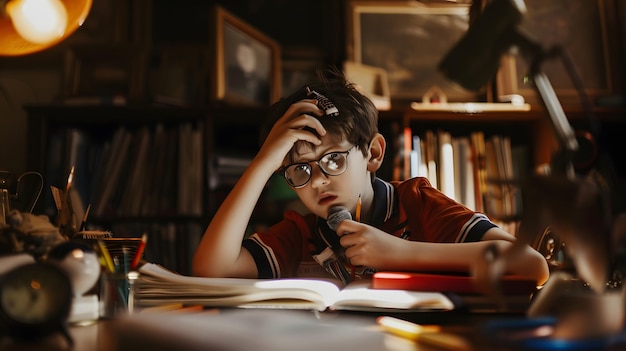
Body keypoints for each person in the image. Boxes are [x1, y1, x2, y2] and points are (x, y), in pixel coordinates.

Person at [192, 68, 549, 285]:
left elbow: (531, 265)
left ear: (373, 153)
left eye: (333, 159)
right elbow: (212, 269)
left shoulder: (417, 202)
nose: (316, 181)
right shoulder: (302, 232)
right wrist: (264, 162)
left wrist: (401, 253)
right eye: (299, 169)